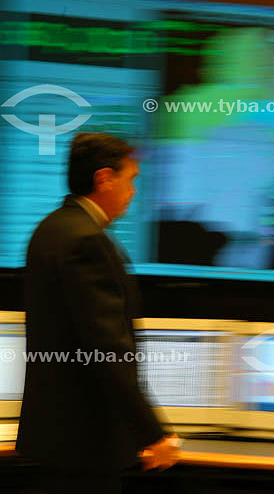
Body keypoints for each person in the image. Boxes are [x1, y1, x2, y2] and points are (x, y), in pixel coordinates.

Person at [16, 132, 180, 493]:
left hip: (58, 437)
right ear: (104, 178)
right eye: (131, 179)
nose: (134, 191)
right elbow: (107, 349)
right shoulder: (86, 241)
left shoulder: (51, 228)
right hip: (86, 442)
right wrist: (154, 432)